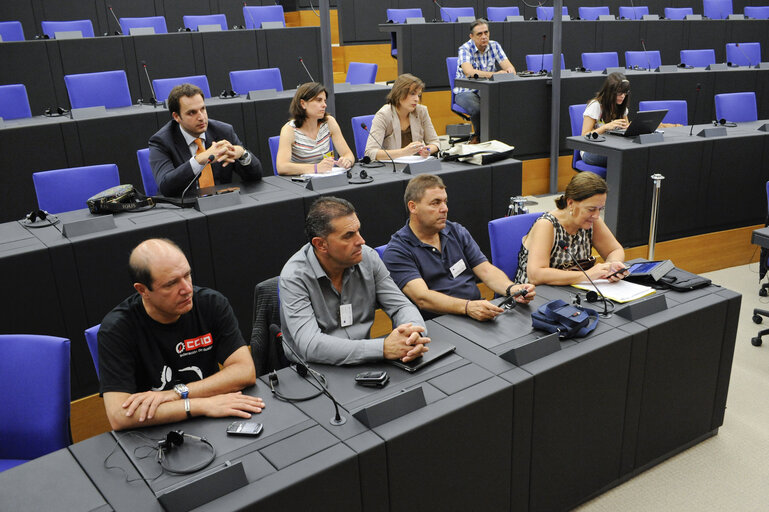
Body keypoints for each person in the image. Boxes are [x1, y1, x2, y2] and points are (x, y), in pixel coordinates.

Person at [98, 238, 265, 431]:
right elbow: (119, 416)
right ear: (143, 290)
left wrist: (178, 393)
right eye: (171, 284)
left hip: (214, 418)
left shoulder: (211, 304)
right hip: (156, 432)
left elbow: (245, 371)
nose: (186, 289)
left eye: (187, 275)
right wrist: (199, 405)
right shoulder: (116, 329)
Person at [279, 196, 430, 365]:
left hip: (367, 361)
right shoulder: (294, 277)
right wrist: (382, 348)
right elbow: (310, 345)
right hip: (316, 370)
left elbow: (401, 306)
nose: (361, 241)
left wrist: (413, 336)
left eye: (358, 231)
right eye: (348, 236)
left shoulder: (368, 257)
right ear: (321, 244)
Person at [383, 174, 535, 322]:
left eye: (445, 201)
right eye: (435, 203)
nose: (444, 209)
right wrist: (467, 307)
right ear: (413, 207)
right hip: (438, 324)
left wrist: (511, 289)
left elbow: (486, 270)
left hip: (475, 312)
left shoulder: (456, 231)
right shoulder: (398, 250)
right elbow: (422, 298)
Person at [149, 83, 263, 196]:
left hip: (222, 204)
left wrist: (243, 154)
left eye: (202, 109)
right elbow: (166, 187)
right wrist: (198, 160)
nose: (201, 117)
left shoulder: (224, 131)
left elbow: (256, 177)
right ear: (176, 117)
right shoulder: (161, 141)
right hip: (186, 208)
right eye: (192, 113)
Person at [515, 172, 628, 285]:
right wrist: (587, 275)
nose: (597, 215)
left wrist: (612, 266)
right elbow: (536, 275)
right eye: (591, 209)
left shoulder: (592, 221)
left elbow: (614, 250)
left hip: (572, 290)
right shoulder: (546, 225)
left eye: (600, 209)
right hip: (533, 295)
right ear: (570, 203)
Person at [581, 72, 682, 166]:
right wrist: (606, 127)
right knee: (625, 157)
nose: (623, 96)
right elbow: (583, 136)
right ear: (610, 92)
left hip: (612, 147)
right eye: (620, 93)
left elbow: (625, 131)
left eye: (625, 93)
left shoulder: (622, 107)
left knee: (636, 154)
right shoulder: (595, 106)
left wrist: (628, 128)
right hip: (591, 151)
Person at [454, 18, 516, 144]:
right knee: (478, 108)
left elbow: (510, 68)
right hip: (465, 91)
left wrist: (509, 72)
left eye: (486, 33)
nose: (484, 37)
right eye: (479, 34)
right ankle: (479, 137)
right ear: (471, 36)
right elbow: (469, 72)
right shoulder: (465, 49)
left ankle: (500, 136)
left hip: (487, 90)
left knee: (503, 103)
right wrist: (495, 74)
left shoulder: (494, 45)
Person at [276, 82, 356, 176]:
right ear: (303, 104)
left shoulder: (329, 122)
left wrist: (347, 161)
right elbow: (281, 167)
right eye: (318, 100)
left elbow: (348, 154)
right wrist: (316, 168)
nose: (324, 105)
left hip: (324, 178)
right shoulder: (289, 130)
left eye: (324, 101)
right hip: (301, 183)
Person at [364, 73, 440, 161]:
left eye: (418, 95)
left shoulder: (421, 111)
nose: (417, 99)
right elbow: (370, 152)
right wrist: (404, 152)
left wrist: (428, 150)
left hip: (416, 165)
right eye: (412, 94)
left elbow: (435, 142)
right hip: (391, 168)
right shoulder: (383, 115)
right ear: (399, 93)